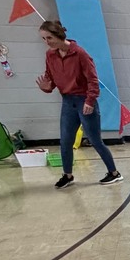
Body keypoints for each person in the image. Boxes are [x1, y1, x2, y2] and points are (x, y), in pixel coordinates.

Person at [35, 20, 123, 189]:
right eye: (44, 39)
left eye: (49, 38)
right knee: (65, 141)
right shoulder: (50, 55)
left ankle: (114, 173)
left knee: (95, 140)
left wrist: (90, 101)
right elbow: (50, 77)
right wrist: (47, 87)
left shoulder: (80, 53)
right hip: (68, 102)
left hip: (84, 100)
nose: (47, 42)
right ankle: (67, 175)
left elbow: (92, 79)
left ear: (60, 36)